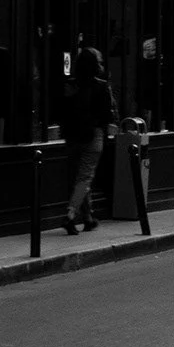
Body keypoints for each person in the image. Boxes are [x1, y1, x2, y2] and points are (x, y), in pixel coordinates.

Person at [61, 47, 115, 236]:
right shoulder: (101, 86)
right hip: (93, 136)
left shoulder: (70, 85)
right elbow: (107, 113)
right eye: (99, 61)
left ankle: (88, 218)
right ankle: (70, 215)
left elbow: (62, 111)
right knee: (85, 177)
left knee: (79, 178)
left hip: (72, 136)